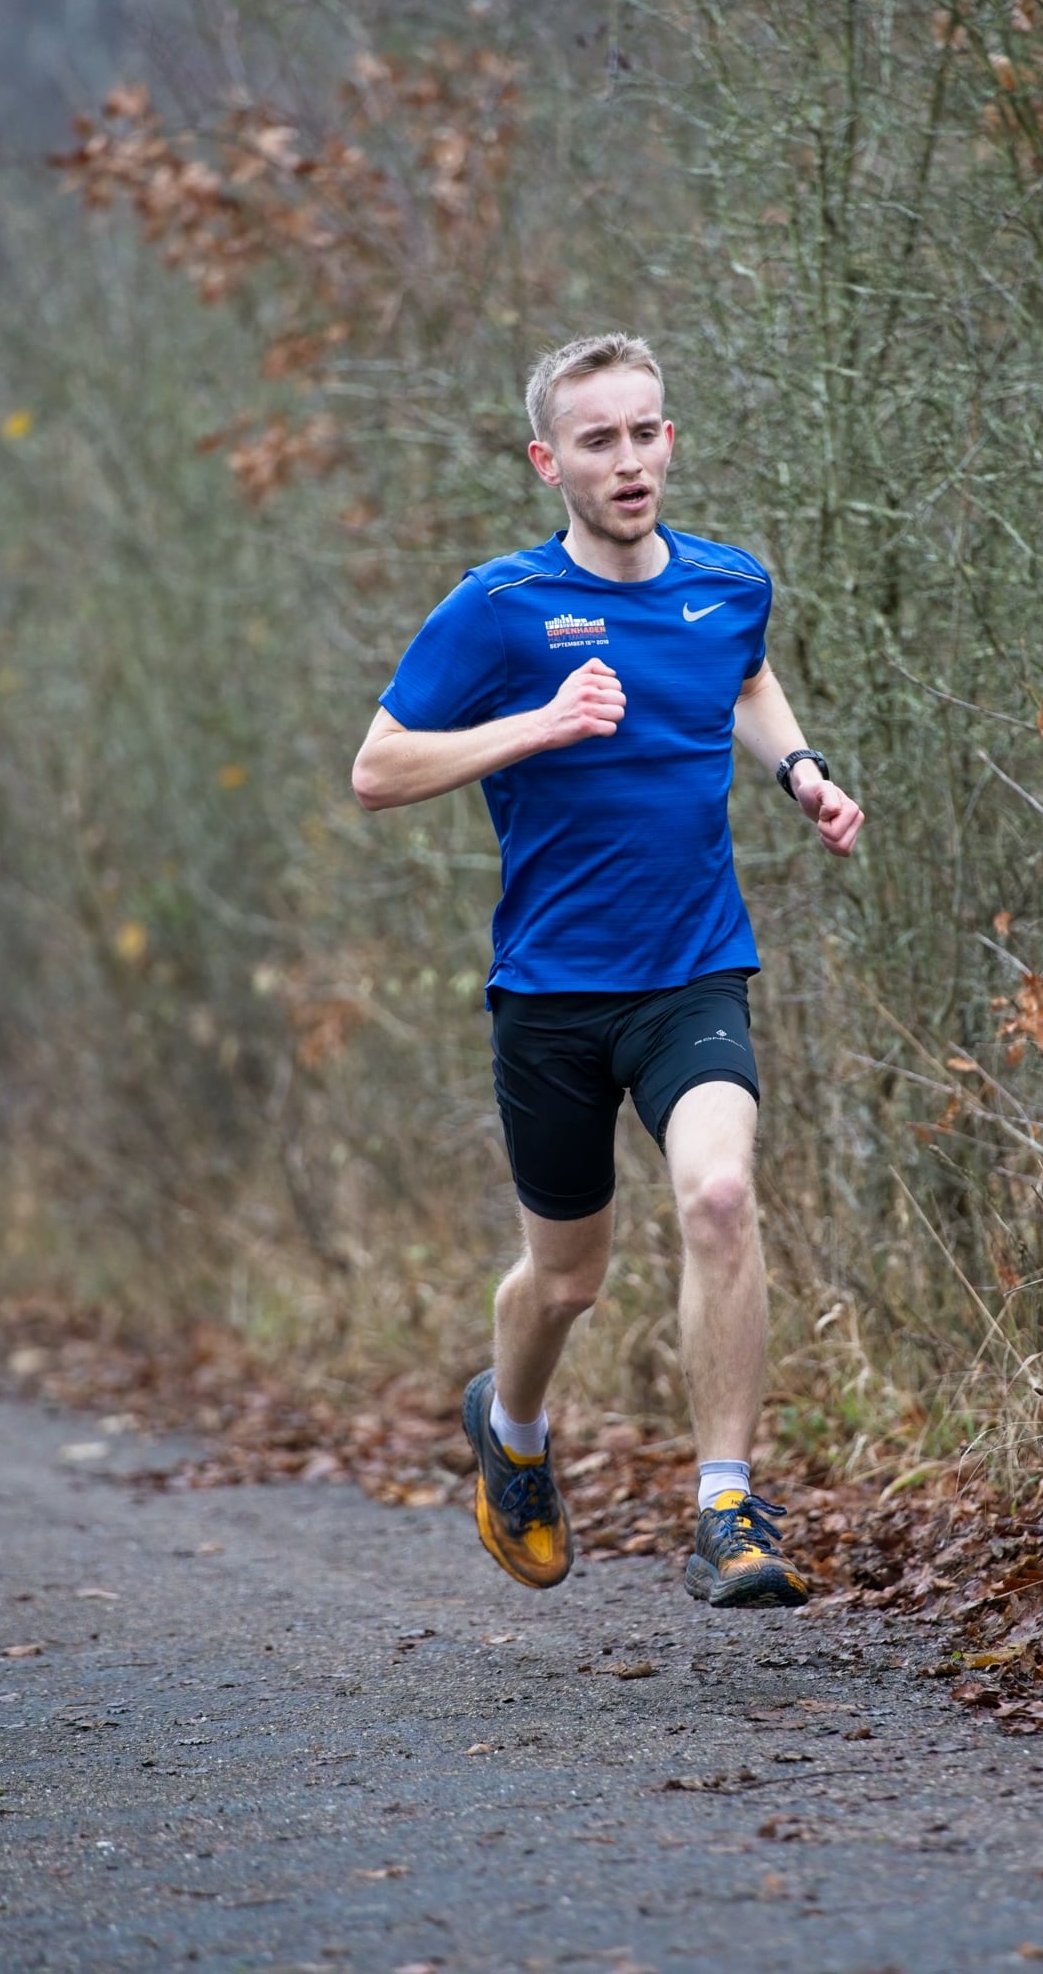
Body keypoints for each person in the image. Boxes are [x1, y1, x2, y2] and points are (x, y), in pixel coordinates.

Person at [352, 332, 864, 1608]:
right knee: (566, 1277)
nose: (627, 460)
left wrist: (799, 770)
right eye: (597, 440)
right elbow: (377, 770)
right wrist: (539, 722)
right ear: (549, 462)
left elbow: (741, 675)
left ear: (669, 439)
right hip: (550, 994)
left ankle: (728, 1507)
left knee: (719, 1199)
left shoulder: (730, 584)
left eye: (644, 433)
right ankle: (512, 1431)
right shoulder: (498, 609)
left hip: (691, 971)